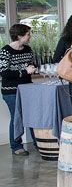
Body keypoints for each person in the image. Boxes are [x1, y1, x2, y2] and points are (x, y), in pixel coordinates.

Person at [1, 24, 35, 156]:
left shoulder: (28, 49)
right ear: (19, 36)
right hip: (11, 91)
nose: (29, 36)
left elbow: (32, 64)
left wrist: (32, 68)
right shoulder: (5, 51)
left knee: (32, 116)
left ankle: (37, 143)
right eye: (27, 34)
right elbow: (4, 73)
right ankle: (16, 146)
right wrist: (24, 71)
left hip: (28, 89)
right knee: (16, 118)